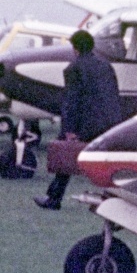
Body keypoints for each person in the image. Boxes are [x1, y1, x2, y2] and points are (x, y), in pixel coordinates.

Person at [36, 29, 125, 209]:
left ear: (75, 48)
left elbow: (71, 102)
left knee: (64, 161)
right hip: (109, 122)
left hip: (87, 124)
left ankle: (54, 198)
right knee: (109, 164)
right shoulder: (106, 65)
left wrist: (69, 130)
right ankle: (115, 201)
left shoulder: (73, 68)